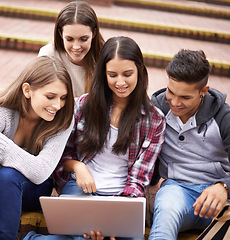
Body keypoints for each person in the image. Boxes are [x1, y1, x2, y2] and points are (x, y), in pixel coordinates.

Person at [24, 36, 166, 240]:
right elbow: (60, 156)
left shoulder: (154, 120)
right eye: (112, 74)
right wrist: (78, 167)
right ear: (103, 73)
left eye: (127, 74)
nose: (120, 82)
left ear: (140, 70)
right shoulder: (82, 106)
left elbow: (140, 177)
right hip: (80, 188)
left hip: (125, 198)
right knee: (85, 237)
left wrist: (115, 218)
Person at [0, 56, 75, 240]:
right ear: (27, 90)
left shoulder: (63, 121)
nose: (57, 105)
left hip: (33, 188)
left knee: (7, 176)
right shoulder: (2, 113)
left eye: (63, 97)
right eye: (50, 96)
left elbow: (40, 171)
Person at [148, 49, 230, 239]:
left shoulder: (225, 117)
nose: (175, 102)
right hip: (178, 192)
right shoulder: (157, 110)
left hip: (224, 199)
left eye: (185, 97)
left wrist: (224, 187)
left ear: (203, 91)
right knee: (166, 210)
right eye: (171, 92)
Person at [38, 1, 104, 97]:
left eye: (83, 39)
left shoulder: (105, 56)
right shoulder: (48, 54)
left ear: (94, 33)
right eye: (69, 39)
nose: (76, 46)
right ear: (60, 34)